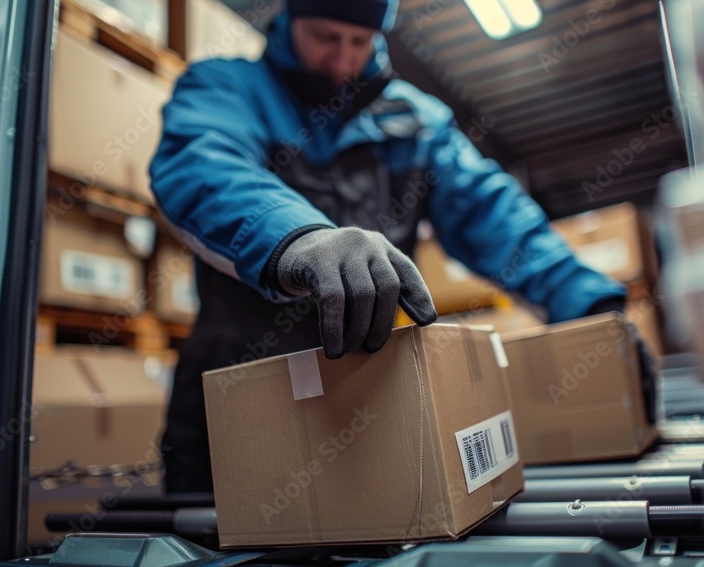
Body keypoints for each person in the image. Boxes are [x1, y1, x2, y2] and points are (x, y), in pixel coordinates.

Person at [149, 0, 650, 494]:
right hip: (236, 406)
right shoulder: (227, 88)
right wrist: (302, 239)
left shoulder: (417, 121)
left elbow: (494, 216)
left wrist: (589, 304)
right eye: (326, 37)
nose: (343, 59)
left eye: (359, 41)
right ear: (289, 19)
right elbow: (203, 170)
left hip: (367, 408)